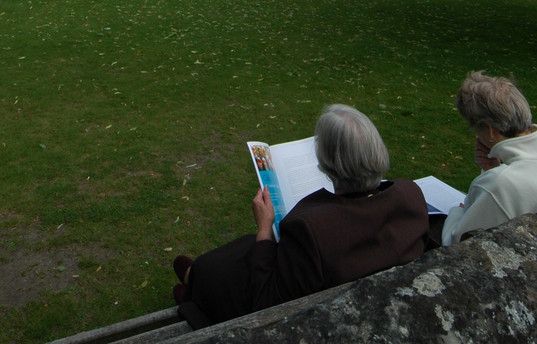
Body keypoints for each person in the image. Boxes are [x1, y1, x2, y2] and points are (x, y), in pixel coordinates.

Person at [172, 105, 428, 329]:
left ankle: (193, 286)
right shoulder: (410, 195)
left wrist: (264, 227)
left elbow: (266, 304)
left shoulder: (313, 231)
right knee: (241, 249)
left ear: (326, 165)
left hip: (313, 305)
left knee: (219, 266)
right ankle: (195, 280)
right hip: (367, 286)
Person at [441, 71, 537, 246]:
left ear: (491, 130)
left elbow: (457, 244)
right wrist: (492, 168)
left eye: (475, 128)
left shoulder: (498, 184)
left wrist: (457, 212)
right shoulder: (502, 176)